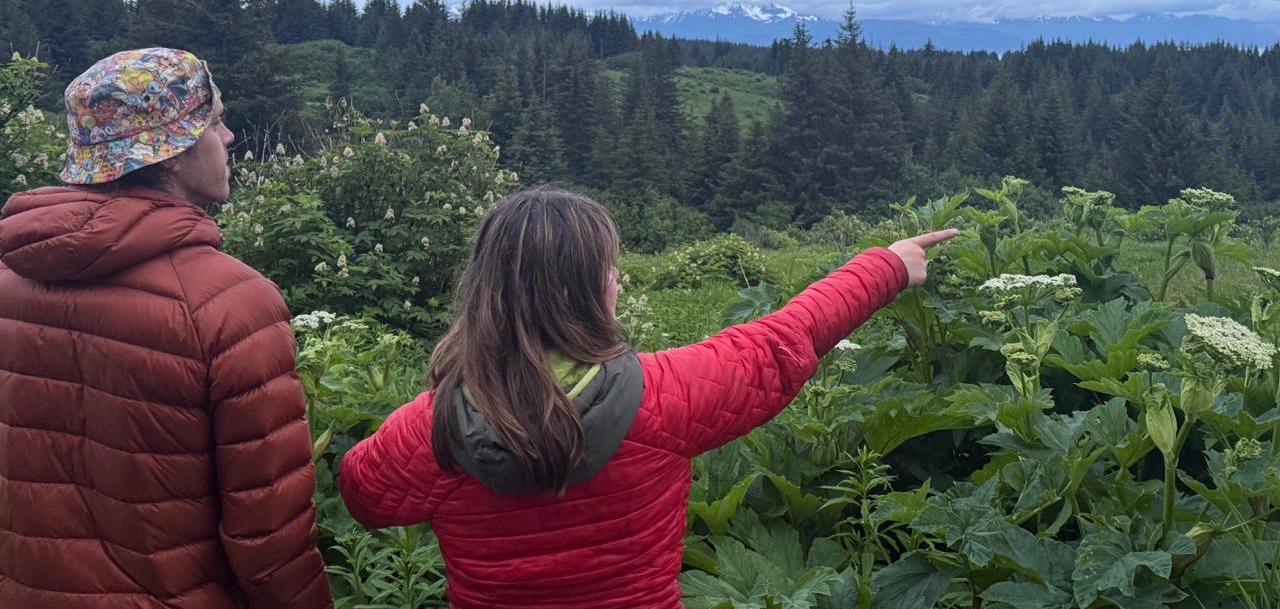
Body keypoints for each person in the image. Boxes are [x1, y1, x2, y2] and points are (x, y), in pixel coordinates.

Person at [338, 185, 956, 609]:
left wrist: (443, 393)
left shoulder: (432, 430)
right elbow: (783, 340)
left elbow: (362, 495)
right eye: (608, 268)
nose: (617, 279)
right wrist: (889, 266)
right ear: (590, 292)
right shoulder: (668, 397)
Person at [0, 47, 332, 609]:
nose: (228, 138)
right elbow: (269, 532)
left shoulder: (11, 277)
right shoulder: (231, 305)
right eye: (215, 121)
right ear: (170, 152)